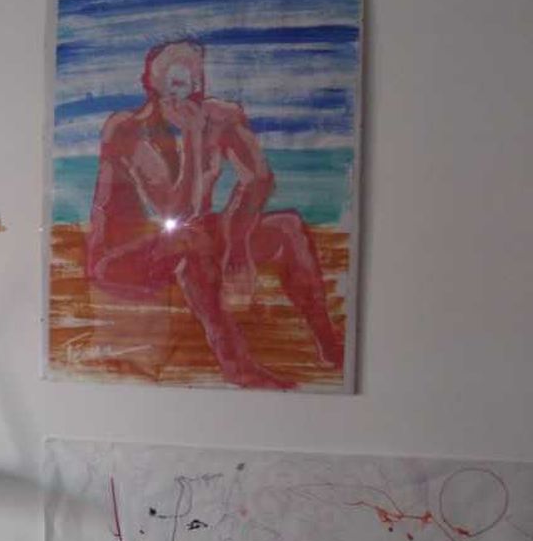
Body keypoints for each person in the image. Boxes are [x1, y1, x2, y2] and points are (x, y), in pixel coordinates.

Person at [85, 39, 343, 389]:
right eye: (175, 84)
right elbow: (176, 211)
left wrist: (237, 244)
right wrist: (192, 139)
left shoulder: (221, 116)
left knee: (288, 226)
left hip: (185, 236)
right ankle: (237, 364)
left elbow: (259, 179)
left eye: (194, 82)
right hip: (121, 257)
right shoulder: (128, 129)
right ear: (153, 86)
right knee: (191, 239)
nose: (186, 94)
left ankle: (329, 344)